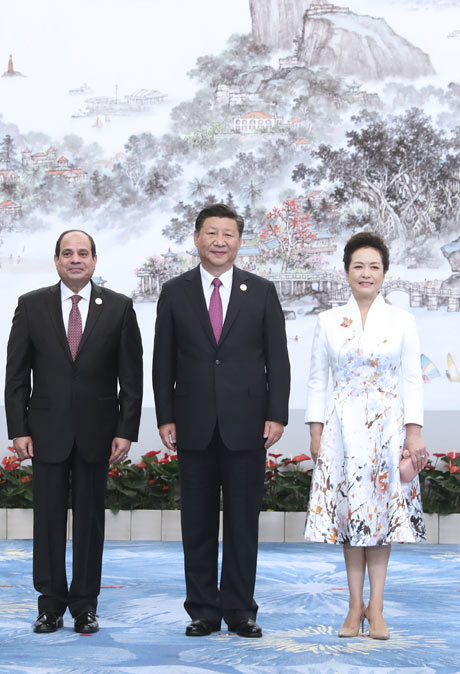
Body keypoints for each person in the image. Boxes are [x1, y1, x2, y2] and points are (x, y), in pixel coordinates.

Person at [153, 203, 290, 638]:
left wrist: (277, 414)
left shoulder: (262, 291)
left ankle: (240, 610)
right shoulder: (175, 292)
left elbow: (278, 361)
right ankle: (202, 611)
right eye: (211, 233)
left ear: (239, 241)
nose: (219, 241)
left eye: (228, 234)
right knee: (196, 522)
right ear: (196, 238)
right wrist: (165, 416)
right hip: (192, 423)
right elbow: (162, 361)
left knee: (242, 522)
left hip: (248, 424)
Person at [5, 230, 143, 634]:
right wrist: (18, 428)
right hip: (45, 430)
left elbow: (130, 377)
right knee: (47, 521)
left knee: (89, 522)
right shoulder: (31, 306)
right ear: (56, 260)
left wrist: (126, 429)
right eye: (68, 253)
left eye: (83, 253)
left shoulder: (118, 308)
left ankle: (85, 604)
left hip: (98, 432)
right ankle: (49, 604)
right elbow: (17, 375)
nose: (75, 260)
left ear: (95, 261)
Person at [304, 232, 427, 640]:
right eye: (359, 266)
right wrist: (316, 432)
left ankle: (377, 608)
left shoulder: (402, 320)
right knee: (351, 519)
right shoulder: (327, 320)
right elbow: (317, 381)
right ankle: (354, 607)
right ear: (346, 272)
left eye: (374, 266)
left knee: (381, 520)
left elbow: (412, 380)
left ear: (385, 273)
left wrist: (414, 434)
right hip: (342, 430)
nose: (366, 273)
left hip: (388, 432)